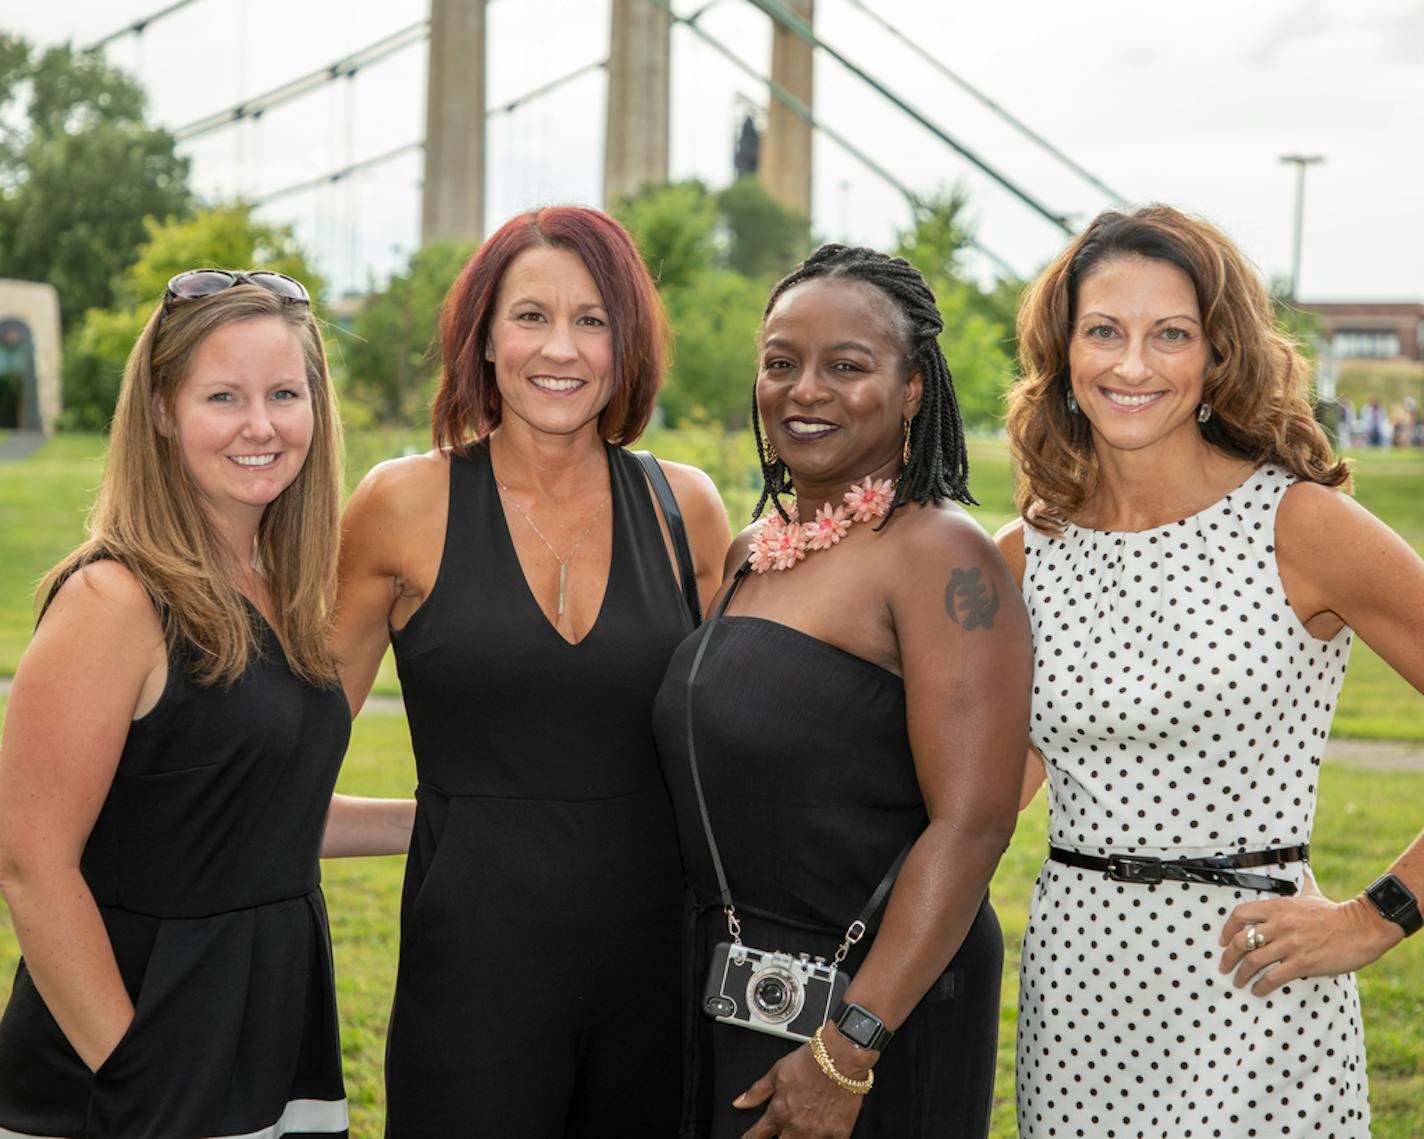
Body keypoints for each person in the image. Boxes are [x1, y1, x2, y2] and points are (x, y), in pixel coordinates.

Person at [1000, 205, 1424, 1139]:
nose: (1133, 364)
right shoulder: (1025, 555)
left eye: (1171, 335)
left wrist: (1378, 915)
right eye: (1103, 331)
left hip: (1257, 986)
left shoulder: (1299, 524)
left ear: (1218, 354)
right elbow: (987, 794)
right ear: (1063, 354)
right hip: (1078, 992)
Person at [334, 206, 731, 1135]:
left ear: (625, 340)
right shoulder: (402, 503)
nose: (563, 347)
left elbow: (747, 750)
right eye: (531, 316)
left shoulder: (688, 510)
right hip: (470, 974)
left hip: (658, 974)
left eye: (593, 318)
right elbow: (288, 751)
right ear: (481, 338)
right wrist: (443, 822)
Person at [0, 271, 413, 1139]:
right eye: (223, 396)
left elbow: (244, 815)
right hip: (140, 1060)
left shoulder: (280, 589)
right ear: (161, 410)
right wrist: (138, 1071)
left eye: (283, 394)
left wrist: (430, 820)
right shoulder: (114, 599)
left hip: (271, 1029)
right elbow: (32, 864)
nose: (260, 425)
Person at [653, 244, 1031, 1139]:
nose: (805, 389)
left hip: (871, 1009)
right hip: (734, 983)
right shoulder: (752, 551)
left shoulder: (940, 554)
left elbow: (974, 821)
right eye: (780, 363)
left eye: (846, 366)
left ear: (912, 392)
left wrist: (850, 1045)